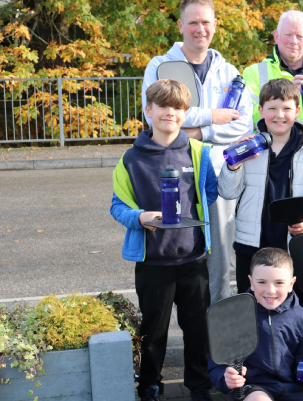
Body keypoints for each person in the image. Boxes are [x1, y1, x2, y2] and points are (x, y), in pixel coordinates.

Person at [142, 0, 253, 305]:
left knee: (220, 255)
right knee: (175, 254)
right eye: (193, 22)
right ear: (180, 25)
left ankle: (213, 331)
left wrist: (200, 130)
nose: (199, 29)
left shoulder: (229, 71)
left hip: (216, 173)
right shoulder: (160, 66)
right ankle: (183, 329)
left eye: (206, 22)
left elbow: (244, 124)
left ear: (215, 26)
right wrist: (213, 116)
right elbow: (154, 113)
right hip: (172, 172)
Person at [111, 79, 218, 401]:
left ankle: (199, 385)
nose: (169, 112)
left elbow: (209, 191)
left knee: (198, 330)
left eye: (177, 107)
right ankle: (150, 385)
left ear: (185, 114)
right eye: (163, 106)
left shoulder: (198, 152)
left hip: (193, 259)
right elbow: (118, 206)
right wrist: (140, 218)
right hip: (153, 262)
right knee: (153, 332)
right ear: (148, 110)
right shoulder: (131, 159)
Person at [218, 79, 303, 295]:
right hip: (251, 248)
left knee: (290, 310)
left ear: (298, 111)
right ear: (261, 110)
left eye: (286, 108)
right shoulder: (247, 146)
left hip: (291, 249)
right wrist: (233, 165)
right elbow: (227, 192)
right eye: (272, 108)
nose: (279, 115)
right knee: (250, 309)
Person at [208, 247, 303, 401]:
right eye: (262, 282)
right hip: (254, 388)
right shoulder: (236, 315)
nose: (270, 290)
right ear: (251, 282)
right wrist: (225, 378)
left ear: (291, 283)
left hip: (293, 390)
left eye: (279, 282)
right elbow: (216, 365)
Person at [243, 10, 303, 147]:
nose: (293, 41)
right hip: (272, 154)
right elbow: (246, 118)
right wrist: (284, 93)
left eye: (299, 36)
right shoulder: (254, 72)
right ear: (276, 36)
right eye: (288, 35)